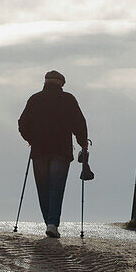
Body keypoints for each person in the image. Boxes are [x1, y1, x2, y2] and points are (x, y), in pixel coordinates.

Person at [17, 70, 89, 239]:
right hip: (61, 150)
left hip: (39, 150)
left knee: (43, 187)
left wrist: (30, 139)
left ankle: (49, 223)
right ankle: (52, 224)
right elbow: (79, 122)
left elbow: (22, 123)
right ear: (60, 83)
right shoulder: (68, 99)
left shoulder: (34, 99)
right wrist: (82, 142)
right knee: (56, 187)